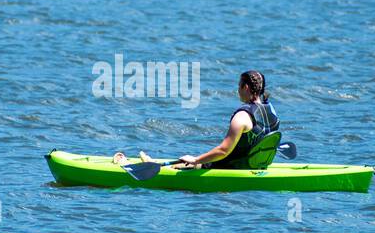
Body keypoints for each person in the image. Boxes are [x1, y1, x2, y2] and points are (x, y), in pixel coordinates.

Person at [115, 70, 282, 171]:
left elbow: (223, 151)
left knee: (187, 164)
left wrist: (196, 160)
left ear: (245, 87)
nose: (237, 90)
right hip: (256, 166)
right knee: (192, 160)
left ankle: (137, 164)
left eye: (239, 86)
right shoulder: (271, 110)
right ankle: (154, 162)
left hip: (229, 168)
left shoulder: (242, 117)